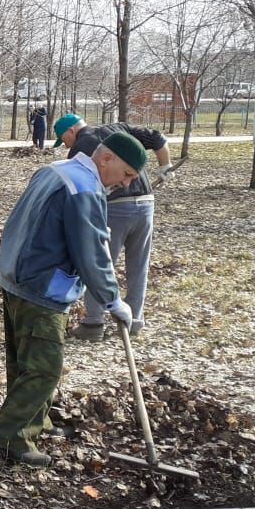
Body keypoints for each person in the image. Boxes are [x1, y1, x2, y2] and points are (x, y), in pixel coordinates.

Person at [0, 131, 147, 467]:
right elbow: (92, 252)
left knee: (24, 361)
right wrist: (112, 301)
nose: (124, 184)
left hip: (18, 275)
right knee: (44, 367)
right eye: (127, 175)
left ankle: (36, 424)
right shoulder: (85, 190)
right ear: (106, 159)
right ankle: (12, 441)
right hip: (42, 287)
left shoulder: (55, 170)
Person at [52, 114, 175, 340]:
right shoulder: (119, 129)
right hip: (146, 204)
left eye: (63, 140)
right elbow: (158, 138)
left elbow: (79, 187)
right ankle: (134, 321)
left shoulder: (81, 148)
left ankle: (93, 323)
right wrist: (165, 166)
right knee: (139, 264)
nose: (66, 145)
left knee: (101, 261)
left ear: (70, 131)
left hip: (116, 207)